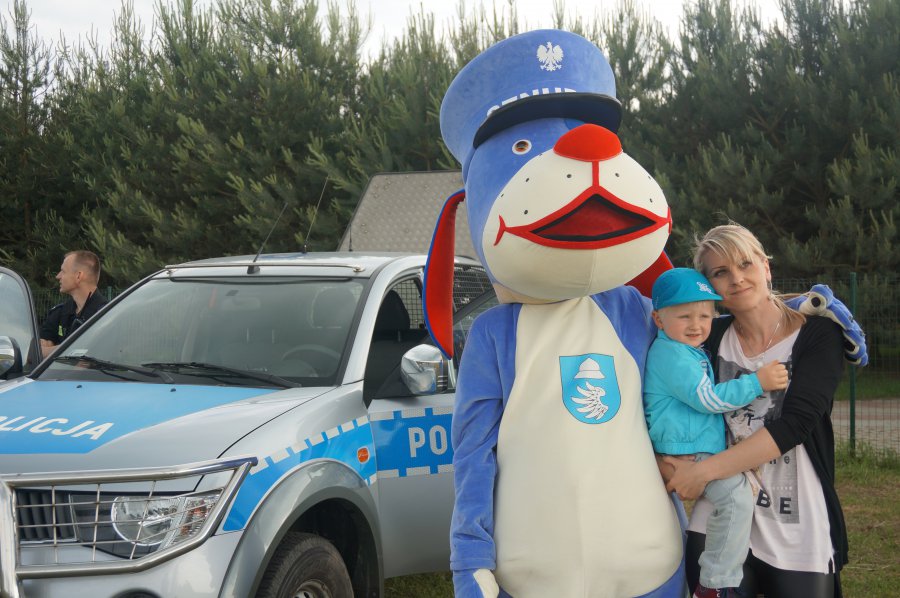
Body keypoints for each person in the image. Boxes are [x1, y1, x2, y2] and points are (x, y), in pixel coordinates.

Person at [663, 224, 848, 598]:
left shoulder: (818, 334)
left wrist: (701, 473)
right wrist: (668, 466)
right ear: (710, 287)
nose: (736, 278)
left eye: (745, 264)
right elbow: (661, 396)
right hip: (720, 517)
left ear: (766, 267)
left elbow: (795, 424)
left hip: (797, 525)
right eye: (721, 272)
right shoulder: (708, 338)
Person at [644, 267, 789, 598]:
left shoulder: (683, 348)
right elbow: (707, 399)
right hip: (687, 452)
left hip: (693, 447)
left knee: (736, 498)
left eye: (705, 316)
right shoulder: (673, 355)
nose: (697, 325)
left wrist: (793, 303)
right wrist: (757, 382)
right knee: (736, 500)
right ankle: (716, 583)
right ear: (658, 319)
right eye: (685, 316)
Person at [39, 250, 108, 358]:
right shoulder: (60, 312)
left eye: (63, 271)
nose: (58, 276)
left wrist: (53, 350)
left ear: (78, 276)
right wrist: (72, 350)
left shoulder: (106, 316)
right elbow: (35, 352)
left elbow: (93, 359)